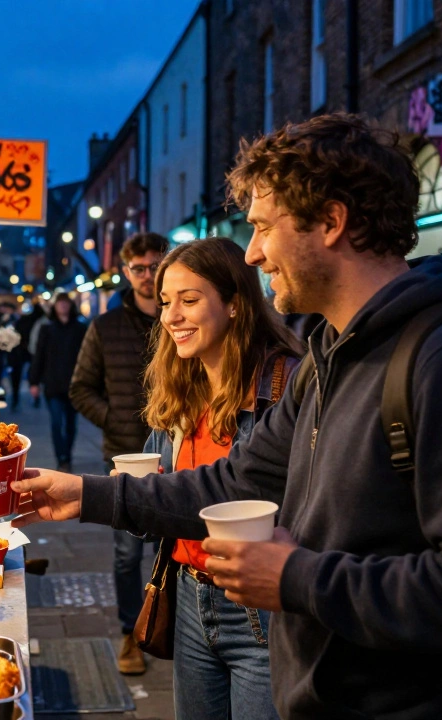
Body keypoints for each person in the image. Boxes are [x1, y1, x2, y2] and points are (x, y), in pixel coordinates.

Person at [11, 114, 442, 719]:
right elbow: (235, 480)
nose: (252, 253)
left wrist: (298, 578)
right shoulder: (329, 357)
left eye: (262, 228)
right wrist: (85, 495)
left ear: (331, 221)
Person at [143, 238, 299, 720]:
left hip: (260, 609)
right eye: (167, 302)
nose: (172, 317)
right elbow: (163, 490)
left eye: (189, 300)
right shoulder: (180, 384)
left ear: (235, 304)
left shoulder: (283, 385)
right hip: (189, 594)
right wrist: (137, 493)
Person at [68, 231, 168, 674]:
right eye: (139, 269)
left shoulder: (183, 316)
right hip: (127, 456)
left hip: (184, 456)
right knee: (128, 556)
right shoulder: (105, 326)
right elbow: (80, 389)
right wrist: (115, 418)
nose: (148, 277)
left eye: (154, 266)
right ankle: (131, 634)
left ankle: (175, 633)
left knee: (177, 551)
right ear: (126, 272)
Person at [28, 292, 86, 472]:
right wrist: (34, 381)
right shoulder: (47, 329)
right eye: (59, 303)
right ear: (54, 306)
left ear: (70, 305)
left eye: (65, 303)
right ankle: (61, 458)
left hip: (74, 385)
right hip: (53, 384)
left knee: (70, 424)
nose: (62, 306)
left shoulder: (79, 329)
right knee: (56, 423)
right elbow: (39, 356)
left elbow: (87, 358)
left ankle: (67, 455)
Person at [9, 297, 46, 410]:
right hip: (31, 352)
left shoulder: (20, 321)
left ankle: (15, 399)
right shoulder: (37, 320)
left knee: (17, 377)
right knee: (33, 375)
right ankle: (35, 396)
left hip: (20, 352)